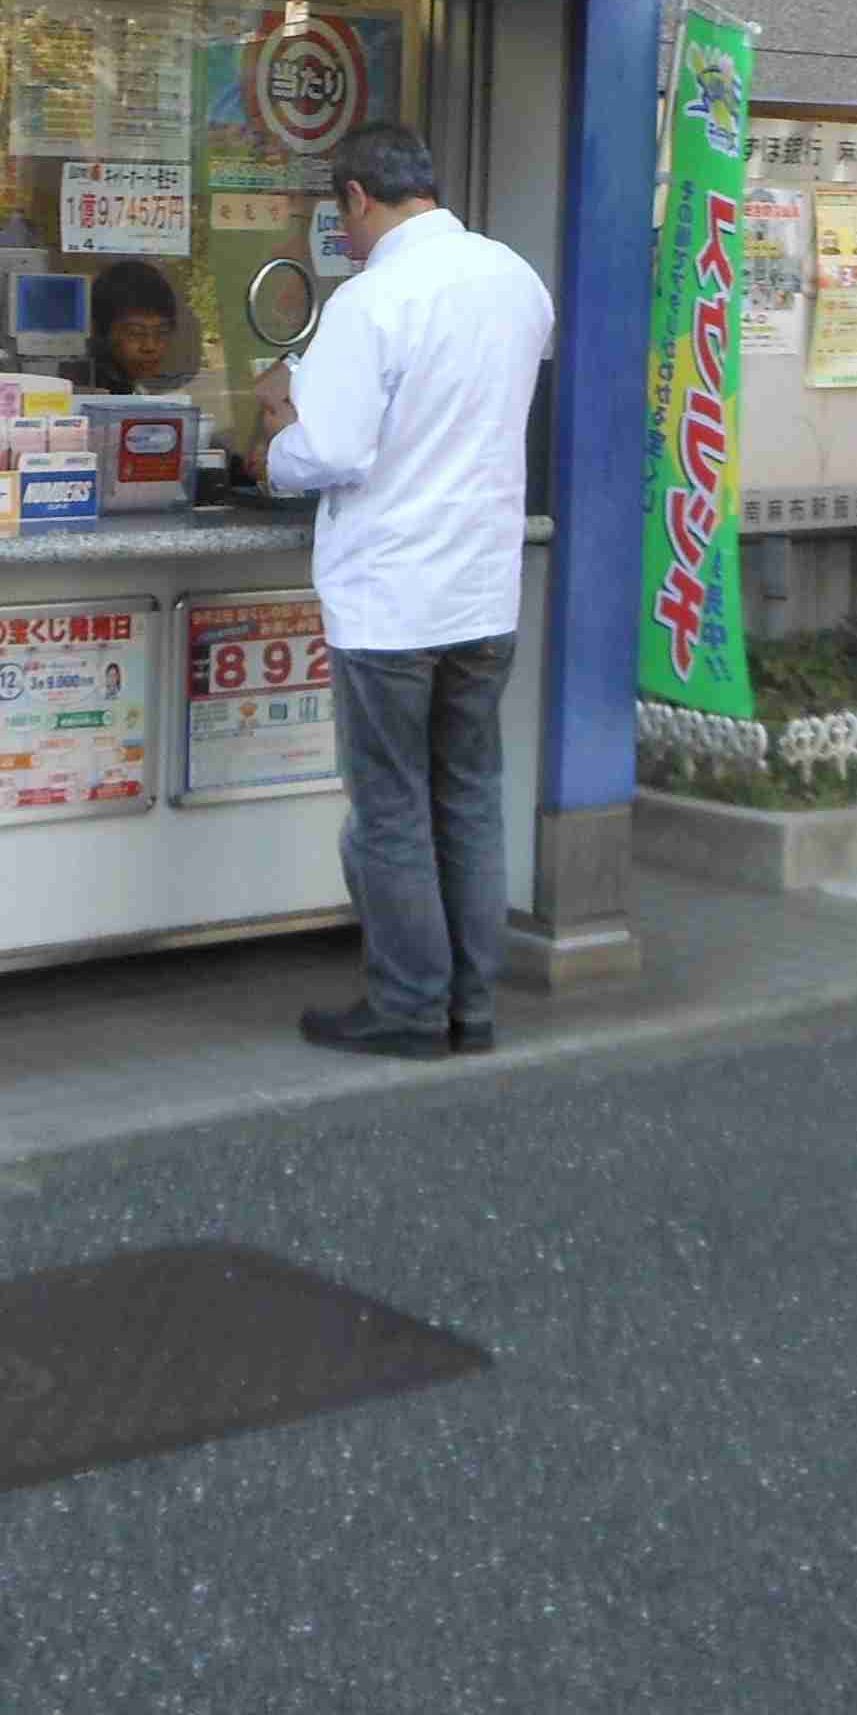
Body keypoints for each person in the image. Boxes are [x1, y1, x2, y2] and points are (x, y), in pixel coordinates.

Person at [249, 120, 553, 1062]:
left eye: (338, 216)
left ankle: (409, 1007)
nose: (341, 235)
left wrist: (272, 435)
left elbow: (331, 452)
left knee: (390, 809)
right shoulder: (516, 281)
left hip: (390, 599)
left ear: (356, 199)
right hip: (482, 591)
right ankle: (472, 1005)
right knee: (467, 795)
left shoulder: (372, 300)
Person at [84, 261, 182, 396]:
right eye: (135, 333)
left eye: (162, 332)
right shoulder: (86, 393)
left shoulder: (141, 389)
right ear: (101, 332)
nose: (150, 346)